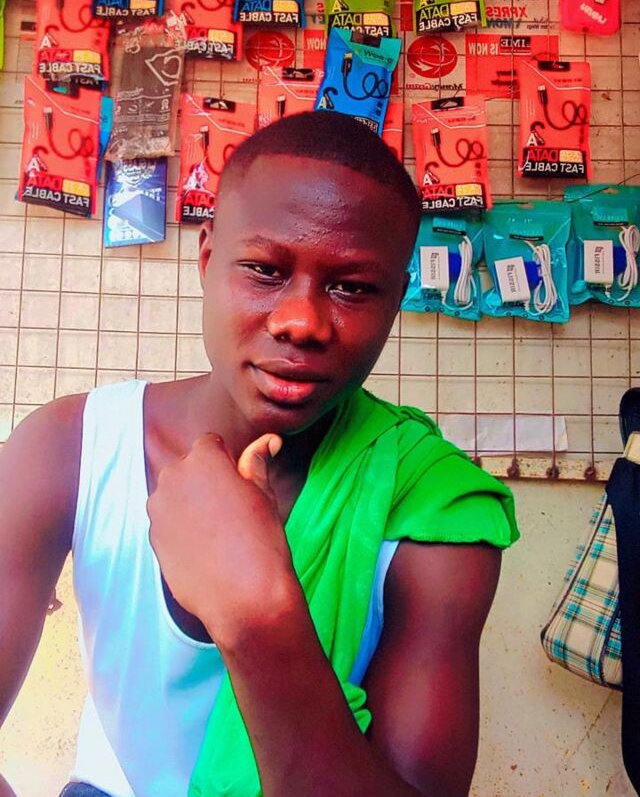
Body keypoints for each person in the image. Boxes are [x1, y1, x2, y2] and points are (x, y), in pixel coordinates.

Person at [0, 112, 518, 797]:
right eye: (265, 270)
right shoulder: (73, 447)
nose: (301, 321)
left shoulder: (432, 505)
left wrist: (260, 615)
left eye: (352, 287)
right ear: (207, 257)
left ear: (396, 298)